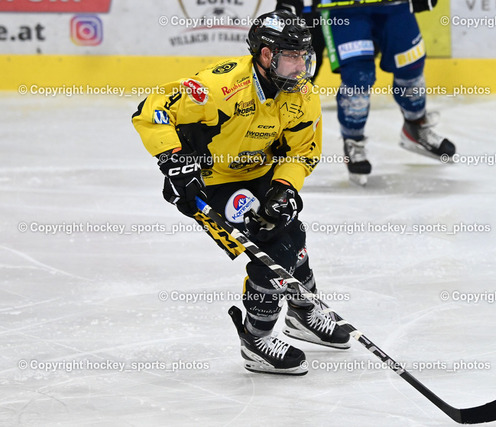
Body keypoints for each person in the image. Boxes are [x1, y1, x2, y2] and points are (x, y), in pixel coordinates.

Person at [132, 10, 350, 376]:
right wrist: (174, 160)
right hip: (211, 182)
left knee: (293, 235)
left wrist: (284, 187)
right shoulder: (220, 88)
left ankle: (302, 312)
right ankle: (256, 340)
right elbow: (152, 110)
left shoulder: (302, 94)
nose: (302, 66)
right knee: (270, 253)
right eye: (292, 56)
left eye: (304, 56)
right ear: (266, 55)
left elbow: (303, 151)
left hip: (260, 173)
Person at [321, 0, 456, 185]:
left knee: (410, 65)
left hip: (395, 5)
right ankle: (353, 140)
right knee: (358, 77)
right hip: (345, 9)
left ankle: (415, 126)